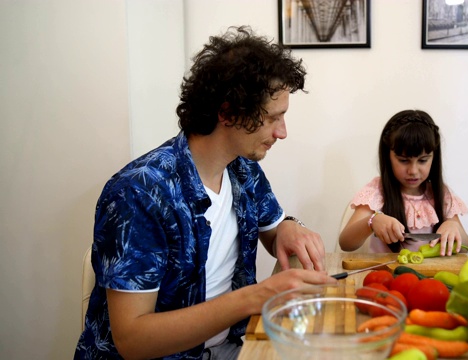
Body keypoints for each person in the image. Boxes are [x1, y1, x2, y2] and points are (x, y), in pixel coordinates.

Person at [75, 26, 337, 360]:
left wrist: (288, 227)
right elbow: (133, 340)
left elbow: (274, 231)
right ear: (227, 113)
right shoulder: (139, 192)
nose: (282, 133)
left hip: (231, 347)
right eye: (273, 118)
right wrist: (255, 297)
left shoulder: (243, 168)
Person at [339, 109, 468, 256]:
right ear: (388, 157)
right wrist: (371, 221)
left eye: (423, 160)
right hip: (387, 274)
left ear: (434, 158)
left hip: (430, 274)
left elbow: (467, 244)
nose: (413, 170)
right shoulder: (376, 191)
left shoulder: (440, 193)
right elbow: (345, 243)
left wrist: (453, 226)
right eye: (403, 160)